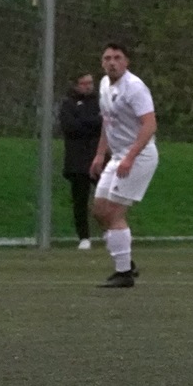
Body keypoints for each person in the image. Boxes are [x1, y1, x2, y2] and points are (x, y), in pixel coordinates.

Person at [89, 43, 158, 288]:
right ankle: (125, 261)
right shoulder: (104, 85)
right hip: (118, 155)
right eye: (107, 58)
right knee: (100, 211)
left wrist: (130, 157)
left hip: (139, 156)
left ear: (126, 62)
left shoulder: (135, 87)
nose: (112, 62)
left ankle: (124, 273)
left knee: (114, 213)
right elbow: (108, 122)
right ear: (102, 62)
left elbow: (150, 125)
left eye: (117, 58)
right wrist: (100, 154)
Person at [58, 72, 102, 249]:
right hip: (77, 160)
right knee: (80, 201)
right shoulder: (68, 104)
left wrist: (85, 121)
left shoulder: (100, 102)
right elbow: (71, 127)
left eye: (90, 82)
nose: (88, 86)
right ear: (76, 85)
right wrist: (92, 123)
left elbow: (104, 123)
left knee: (106, 197)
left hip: (98, 158)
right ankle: (84, 237)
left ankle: (112, 231)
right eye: (84, 83)